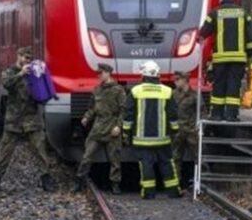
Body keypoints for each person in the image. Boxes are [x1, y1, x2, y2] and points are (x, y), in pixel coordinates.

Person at [0, 47, 58, 192]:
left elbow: (42, 92)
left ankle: (46, 180)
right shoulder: (10, 72)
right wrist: (21, 74)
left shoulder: (35, 73)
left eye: (30, 58)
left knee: (40, 150)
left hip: (32, 119)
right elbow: (6, 84)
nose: (27, 61)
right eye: (25, 57)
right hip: (14, 120)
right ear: (18, 56)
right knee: (5, 151)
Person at [123, 61, 181, 199]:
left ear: (143, 75)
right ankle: (173, 191)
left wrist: (126, 131)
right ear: (158, 75)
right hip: (163, 139)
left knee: (146, 165)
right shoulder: (167, 91)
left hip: (142, 139)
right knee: (167, 163)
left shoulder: (135, 91)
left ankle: (148, 193)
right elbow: (173, 114)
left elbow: (128, 114)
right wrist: (174, 130)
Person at [199, 0, 252, 121]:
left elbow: (203, 32)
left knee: (219, 84)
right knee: (234, 85)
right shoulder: (244, 13)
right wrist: (248, 54)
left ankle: (217, 114)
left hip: (221, 59)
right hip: (239, 58)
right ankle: (232, 115)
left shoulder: (214, 13)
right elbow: (250, 38)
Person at [72, 63, 126, 194]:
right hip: (98, 126)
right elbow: (92, 108)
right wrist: (86, 117)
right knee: (87, 156)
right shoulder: (97, 90)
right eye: (98, 73)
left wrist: (119, 126)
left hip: (112, 126)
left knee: (115, 159)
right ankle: (79, 181)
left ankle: (115, 184)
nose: (99, 76)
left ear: (108, 73)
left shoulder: (118, 90)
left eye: (100, 73)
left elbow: (123, 110)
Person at [171, 71, 203, 189]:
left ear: (185, 80)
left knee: (198, 156)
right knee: (175, 158)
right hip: (177, 130)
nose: (175, 81)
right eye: (175, 79)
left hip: (191, 130)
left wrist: (198, 125)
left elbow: (201, 112)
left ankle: (202, 181)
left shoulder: (195, 96)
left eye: (178, 79)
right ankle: (175, 184)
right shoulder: (173, 94)